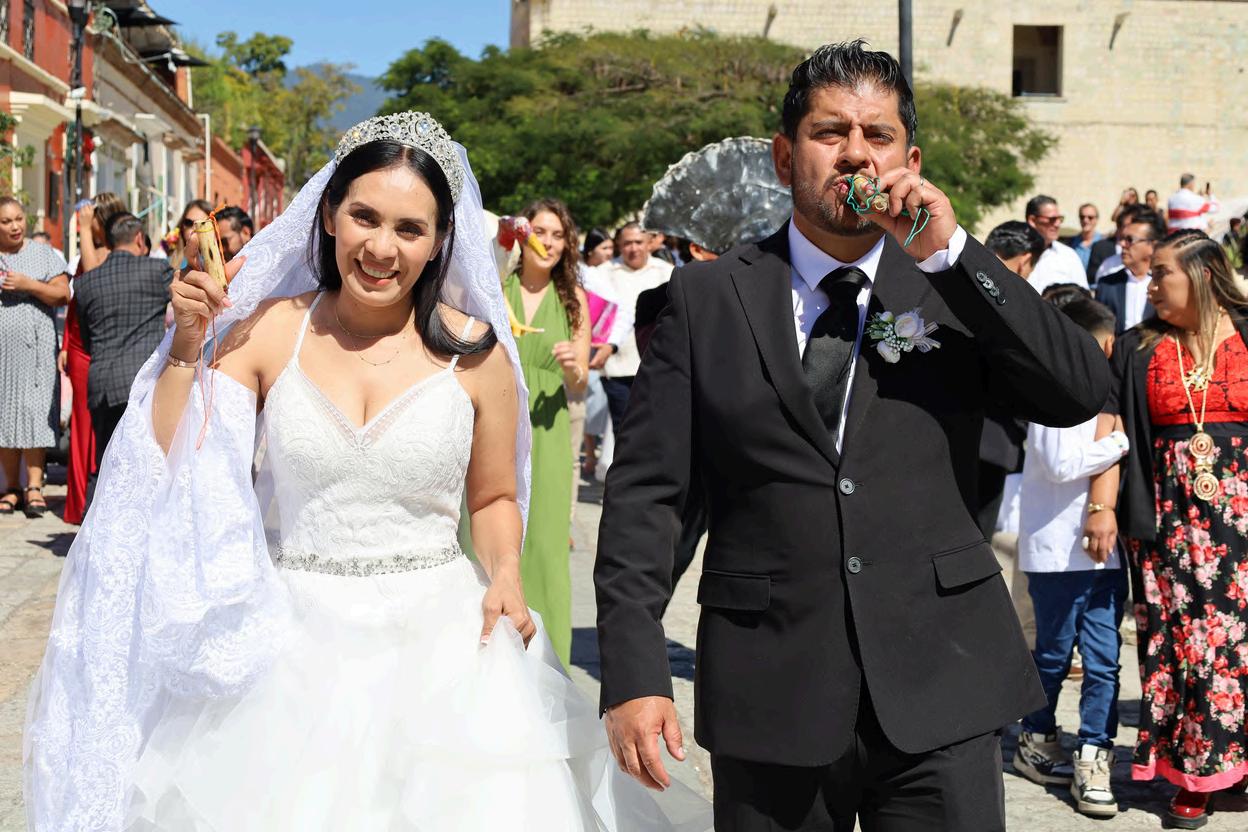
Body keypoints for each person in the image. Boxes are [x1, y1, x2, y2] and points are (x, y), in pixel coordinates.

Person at [24, 113, 708, 831]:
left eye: (410, 229)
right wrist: (188, 349)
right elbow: (167, 462)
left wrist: (506, 572)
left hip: (442, 648)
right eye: (365, 218)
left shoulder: (477, 354)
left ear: (441, 239)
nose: (382, 248)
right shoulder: (268, 330)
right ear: (328, 215)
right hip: (287, 648)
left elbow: (494, 496)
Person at [595, 40, 1109, 830]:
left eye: (878, 135)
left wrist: (952, 254)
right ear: (784, 156)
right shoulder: (705, 299)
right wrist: (634, 671)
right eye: (830, 132)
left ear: (910, 159)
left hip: (942, 681)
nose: (856, 154)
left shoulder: (953, 290)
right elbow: (649, 498)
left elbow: (1079, 391)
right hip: (772, 688)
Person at [1098, 229, 1248, 829]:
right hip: (1170, 520)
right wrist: (1102, 507)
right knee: (1186, 644)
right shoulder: (1138, 347)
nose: (1151, 285)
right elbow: (1113, 432)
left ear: (1204, 275)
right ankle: (1196, 769)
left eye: (1162, 273)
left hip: (1242, 518)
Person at [1012, 297, 1129, 819]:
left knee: (1104, 660)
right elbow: (1061, 466)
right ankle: (1036, 737)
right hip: (1057, 553)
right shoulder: (1052, 393)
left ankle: (1094, 751)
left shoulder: (1104, 394)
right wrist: (1119, 443)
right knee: (1054, 655)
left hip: (1103, 556)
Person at [502, 197, 590, 665]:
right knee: (491, 535)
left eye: (559, 235)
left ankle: (547, 663)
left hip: (549, 426)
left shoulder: (573, 298)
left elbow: (580, 382)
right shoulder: (498, 283)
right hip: (497, 420)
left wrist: (574, 366)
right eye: (541, 231)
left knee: (546, 542)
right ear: (524, 234)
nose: (550, 243)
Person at [73, 212, 175, 509]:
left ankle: (94, 525)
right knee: (145, 465)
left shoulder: (86, 283)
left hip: (101, 384)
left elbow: (86, 338)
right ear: (140, 239)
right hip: (141, 384)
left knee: (107, 464)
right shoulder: (156, 271)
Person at [59, 191, 127, 525]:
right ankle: (77, 504)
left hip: (102, 345)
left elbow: (95, 277)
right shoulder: (88, 248)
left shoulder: (117, 252)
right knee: (80, 426)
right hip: (77, 341)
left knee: (100, 425)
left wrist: (84, 230)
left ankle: (98, 499)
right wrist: (64, 345)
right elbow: (75, 303)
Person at [0, 196, 70, 517]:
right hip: (4, 353)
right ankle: (10, 487)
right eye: (6, 222)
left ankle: (34, 487)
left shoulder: (43, 254)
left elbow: (62, 294)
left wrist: (28, 284)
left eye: (18, 219)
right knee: (4, 413)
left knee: (35, 412)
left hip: (36, 350)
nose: (15, 226)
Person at [589, 222, 672, 430]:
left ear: (649, 243)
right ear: (619, 245)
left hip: (658, 368)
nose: (633, 248)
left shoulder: (667, 272)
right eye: (627, 243)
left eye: (638, 242)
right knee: (624, 431)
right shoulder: (602, 274)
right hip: (617, 368)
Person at [1095, 207, 1165, 335]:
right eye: (1122, 239)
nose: (1122, 244)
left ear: (1153, 245)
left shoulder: (1165, 285)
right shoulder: (1107, 285)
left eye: (1129, 240)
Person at [1026, 194, 1088, 293]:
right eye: (1052, 219)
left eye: (1060, 219)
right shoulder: (1016, 255)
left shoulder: (1068, 256)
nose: (1057, 224)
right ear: (1032, 220)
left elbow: (1083, 295)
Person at [1062, 203, 1103, 271]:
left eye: (1090, 217)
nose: (1085, 220)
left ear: (1096, 219)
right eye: (1082, 217)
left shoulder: (1103, 243)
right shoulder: (1070, 243)